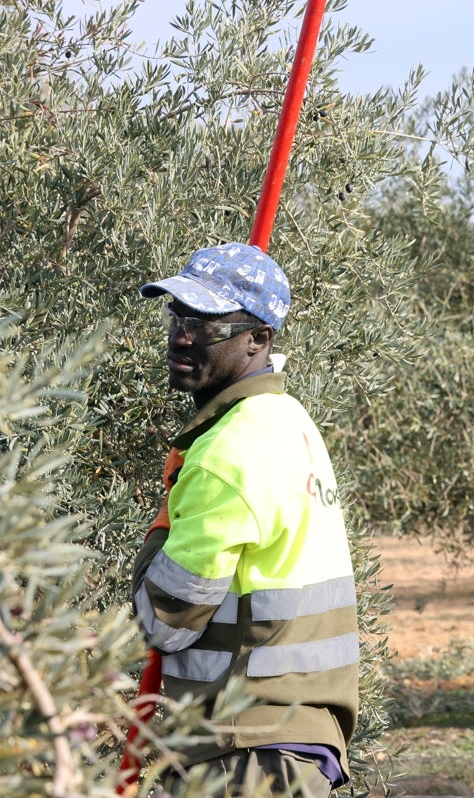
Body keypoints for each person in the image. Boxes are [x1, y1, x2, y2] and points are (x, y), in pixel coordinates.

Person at [131, 242, 359, 797]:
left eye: (207, 324)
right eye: (178, 316)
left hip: (241, 748)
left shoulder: (226, 452)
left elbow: (165, 621)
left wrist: (163, 520)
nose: (182, 336)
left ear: (258, 339)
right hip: (292, 740)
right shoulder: (290, 420)